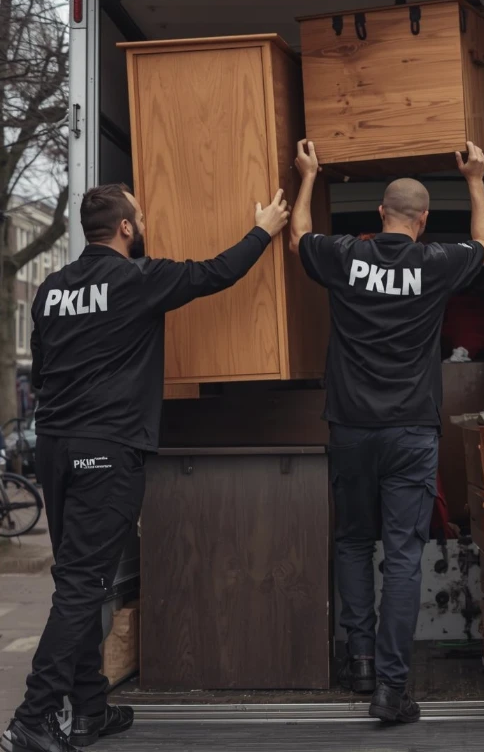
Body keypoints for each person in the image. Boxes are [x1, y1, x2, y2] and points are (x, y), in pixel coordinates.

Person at [2, 183, 290, 752]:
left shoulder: (51, 290)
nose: (145, 220)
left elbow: (42, 370)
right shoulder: (136, 279)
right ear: (127, 227)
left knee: (77, 579)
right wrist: (264, 230)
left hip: (56, 448)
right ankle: (34, 717)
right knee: (82, 585)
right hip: (107, 448)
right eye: (141, 213)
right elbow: (215, 273)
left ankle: (88, 711)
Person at [290, 139, 484, 724]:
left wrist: (309, 175)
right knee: (403, 556)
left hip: (351, 429)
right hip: (410, 432)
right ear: (422, 221)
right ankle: (391, 688)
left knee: (354, 541)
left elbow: (298, 237)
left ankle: (359, 661)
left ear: (381, 213)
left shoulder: (345, 255)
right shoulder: (435, 263)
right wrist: (475, 180)